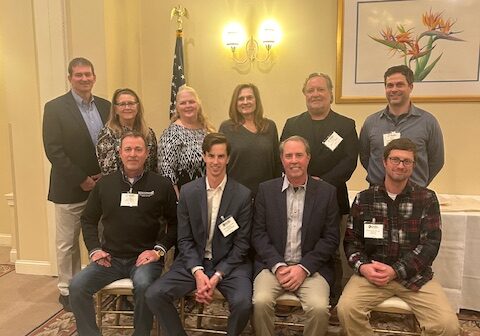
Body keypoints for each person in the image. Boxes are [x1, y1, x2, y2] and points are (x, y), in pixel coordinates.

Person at [337, 138, 459, 336]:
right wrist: (364, 267)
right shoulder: (364, 198)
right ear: (384, 162)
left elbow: (430, 246)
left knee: (448, 325)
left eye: (406, 161)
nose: (400, 165)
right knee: (346, 310)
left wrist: (395, 271)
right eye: (395, 159)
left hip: (414, 276)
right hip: (372, 274)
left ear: (413, 166)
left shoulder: (426, 198)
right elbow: (352, 242)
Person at [69, 131, 177, 336]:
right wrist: (94, 250)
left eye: (138, 149)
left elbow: (176, 224)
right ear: (120, 153)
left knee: (145, 285)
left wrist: (158, 251)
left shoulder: (161, 185)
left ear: (147, 153)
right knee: (76, 287)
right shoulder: (104, 185)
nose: (133, 154)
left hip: (145, 259)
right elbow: (88, 219)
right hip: (110, 259)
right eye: (128, 149)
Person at [146, 133, 253, 336]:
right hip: (194, 261)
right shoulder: (188, 192)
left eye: (221, 156)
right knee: (154, 294)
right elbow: (184, 238)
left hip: (230, 264)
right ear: (204, 156)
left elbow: (242, 245)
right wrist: (198, 271)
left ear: (228, 158)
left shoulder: (242, 195)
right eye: (211, 156)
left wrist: (217, 276)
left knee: (243, 303)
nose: (215, 162)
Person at [281, 72, 358, 306]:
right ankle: (291, 296)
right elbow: (282, 158)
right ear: (304, 95)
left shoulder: (345, 125)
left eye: (320, 89)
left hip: (333, 196)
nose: (315, 94)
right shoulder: (293, 124)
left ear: (331, 94)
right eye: (310, 90)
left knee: (332, 249)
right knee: (296, 244)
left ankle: (334, 300)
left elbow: (349, 161)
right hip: (295, 195)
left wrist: (321, 183)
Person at [252, 135, 339, 336]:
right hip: (273, 267)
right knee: (260, 302)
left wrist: (303, 268)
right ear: (282, 159)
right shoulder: (266, 190)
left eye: (299, 155)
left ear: (308, 158)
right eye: (288, 155)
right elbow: (258, 234)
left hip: (311, 269)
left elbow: (331, 238)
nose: (294, 160)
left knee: (318, 309)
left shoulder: (326, 193)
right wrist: (278, 265)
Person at [42, 57, 110, 311]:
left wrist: (104, 175)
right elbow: (54, 150)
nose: (84, 79)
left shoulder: (105, 106)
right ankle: (67, 290)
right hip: (70, 187)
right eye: (78, 75)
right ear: (69, 77)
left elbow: (112, 144)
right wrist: (81, 178)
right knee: (68, 242)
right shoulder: (55, 108)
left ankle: (102, 283)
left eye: (88, 74)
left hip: (102, 186)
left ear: (94, 77)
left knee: (104, 236)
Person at [359, 65, 444, 187]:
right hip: (377, 193)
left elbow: (436, 160)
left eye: (399, 85)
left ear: (410, 87)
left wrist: (418, 183)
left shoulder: (428, 122)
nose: (394, 89)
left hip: (415, 193)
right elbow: (365, 157)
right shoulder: (371, 122)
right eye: (389, 85)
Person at [219, 83, 281, 196]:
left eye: (250, 98)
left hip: (266, 194)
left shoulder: (269, 126)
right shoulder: (226, 128)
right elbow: (221, 163)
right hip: (236, 195)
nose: (245, 102)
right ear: (235, 103)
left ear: (256, 100)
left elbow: (277, 162)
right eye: (241, 99)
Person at [158, 85, 215, 197]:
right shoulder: (171, 134)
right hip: (187, 197)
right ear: (177, 108)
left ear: (198, 104)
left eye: (191, 102)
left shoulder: (208, 130)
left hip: (211, 193)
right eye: (183, 103)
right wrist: (179, 202)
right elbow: (166, 173)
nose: (188, 106)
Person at [96, 88, 158, 175]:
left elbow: (154, 166)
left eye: (131, 103)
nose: (127, 107)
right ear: (115, 109)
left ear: (138, 106)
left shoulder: (148, 133)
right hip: (119, 185)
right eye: (122, 104)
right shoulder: (107, 134)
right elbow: (108, 171)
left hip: (147, 184)